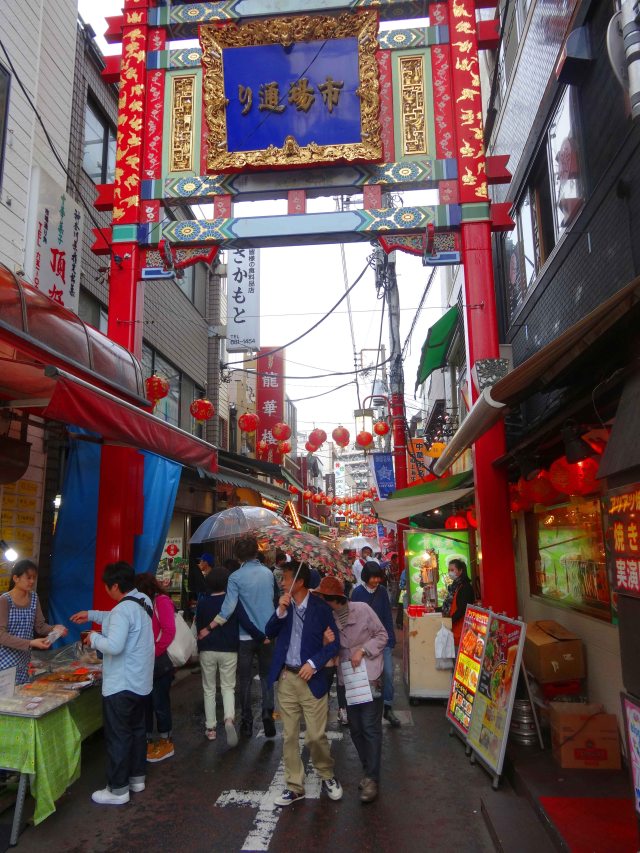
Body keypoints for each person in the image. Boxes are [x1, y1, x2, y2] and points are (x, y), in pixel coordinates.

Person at [71, 562, 154, 805]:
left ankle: (118, 789)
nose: (107, 590)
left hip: (122, 684)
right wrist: (92, 614)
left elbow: (115, 645)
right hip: (141, 682)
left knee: (119, 736)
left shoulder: (122, 611)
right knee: (138, 731)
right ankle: (137, 779)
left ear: (115, 586)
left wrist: (93, 637)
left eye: (107, 587)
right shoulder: (143, 601)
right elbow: (120, 617)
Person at [265, 562, 343, 807]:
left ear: (299, 582)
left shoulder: (321, 608)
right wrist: (280, 611)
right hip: (287, 677)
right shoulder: (284, 605)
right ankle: (294, 785)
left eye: (286, 578)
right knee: (289, 735)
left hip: (313, 679)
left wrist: (314, 663)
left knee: (315, 735)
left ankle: (327, 775)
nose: (282, 582)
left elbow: (334, 643)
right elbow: (269, 631)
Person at [315, 576, 388, 804]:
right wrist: (327, 644)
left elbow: (382, 635)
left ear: (333, 600)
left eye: (322, 598)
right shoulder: (326, 620)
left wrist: (363, 650)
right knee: (355, 728)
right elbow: (327, 650)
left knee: (369, 726)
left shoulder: (363, 610)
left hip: (370, 674)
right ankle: (368, 772)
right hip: (348, 678)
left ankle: (372, 779)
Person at [207, 536, 277, 738]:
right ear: (256, 552)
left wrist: (211, 625)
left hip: (245, 636)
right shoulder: (268, 574)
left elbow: (228, 608)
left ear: (238, 556)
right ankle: (267, 713)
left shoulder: (235, 577)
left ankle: (246, 721)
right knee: (267, 677)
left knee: (244, 679)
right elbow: (274, 600)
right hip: (268, 635)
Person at [196, 567, 265, 745]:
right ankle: (228, 719)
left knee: (209, 689)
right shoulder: (232, 601)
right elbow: (246, 622)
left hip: (207, 650)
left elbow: (199, 627)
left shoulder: (202, 602)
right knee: (228, 687)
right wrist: (261, 636)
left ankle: (210, 729)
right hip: (229, 649)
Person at [0, 559, 68, 685]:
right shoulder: (4, 600)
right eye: (28, 578)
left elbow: (40, 626)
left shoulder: (34, 598)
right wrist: (30, 642)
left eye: (34, 578)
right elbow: (1, 636)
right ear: (16, 578)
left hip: (23, 661)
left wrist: (55, 628)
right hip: (4, 661)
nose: (32, 581)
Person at [351, 562, 401, 728]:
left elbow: (387, 615)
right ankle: (363, 710)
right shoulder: (357, 593)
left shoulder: (382, 592)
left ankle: (387, 706)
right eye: (373, 577)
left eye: (378, 577)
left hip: (382, 639)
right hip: (363, 641)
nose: (376, 580)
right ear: (366, 576)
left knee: (387, 672)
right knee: (364, 674)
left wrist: (391, 638)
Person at [135, 573, 176, 763]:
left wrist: (154, 651)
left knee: (160, 703)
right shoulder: (140, 604)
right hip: (144, 662)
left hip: (159, 663)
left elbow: (169, 631)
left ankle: (166, 740)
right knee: (146, 703)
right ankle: (148, 740)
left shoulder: (161, 601)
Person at [441, 559, 475, 648]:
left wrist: (449, 622)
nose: (449, 572)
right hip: (454, 630)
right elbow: (450, 605)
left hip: (462, 630)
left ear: (460, 571)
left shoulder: (465, 587)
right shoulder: (455, 586)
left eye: (452, 570)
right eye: (449, 570)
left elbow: (462, 610)